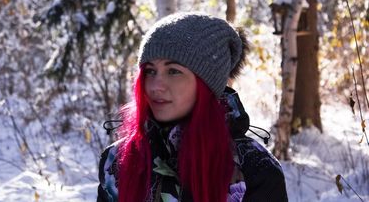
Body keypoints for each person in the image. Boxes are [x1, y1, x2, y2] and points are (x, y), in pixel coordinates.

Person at [97, 12, 288, 202]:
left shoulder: (255, 167)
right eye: (150, 71)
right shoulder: (117, 161)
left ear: (207, 84)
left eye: (173, 71)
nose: (155, 85)